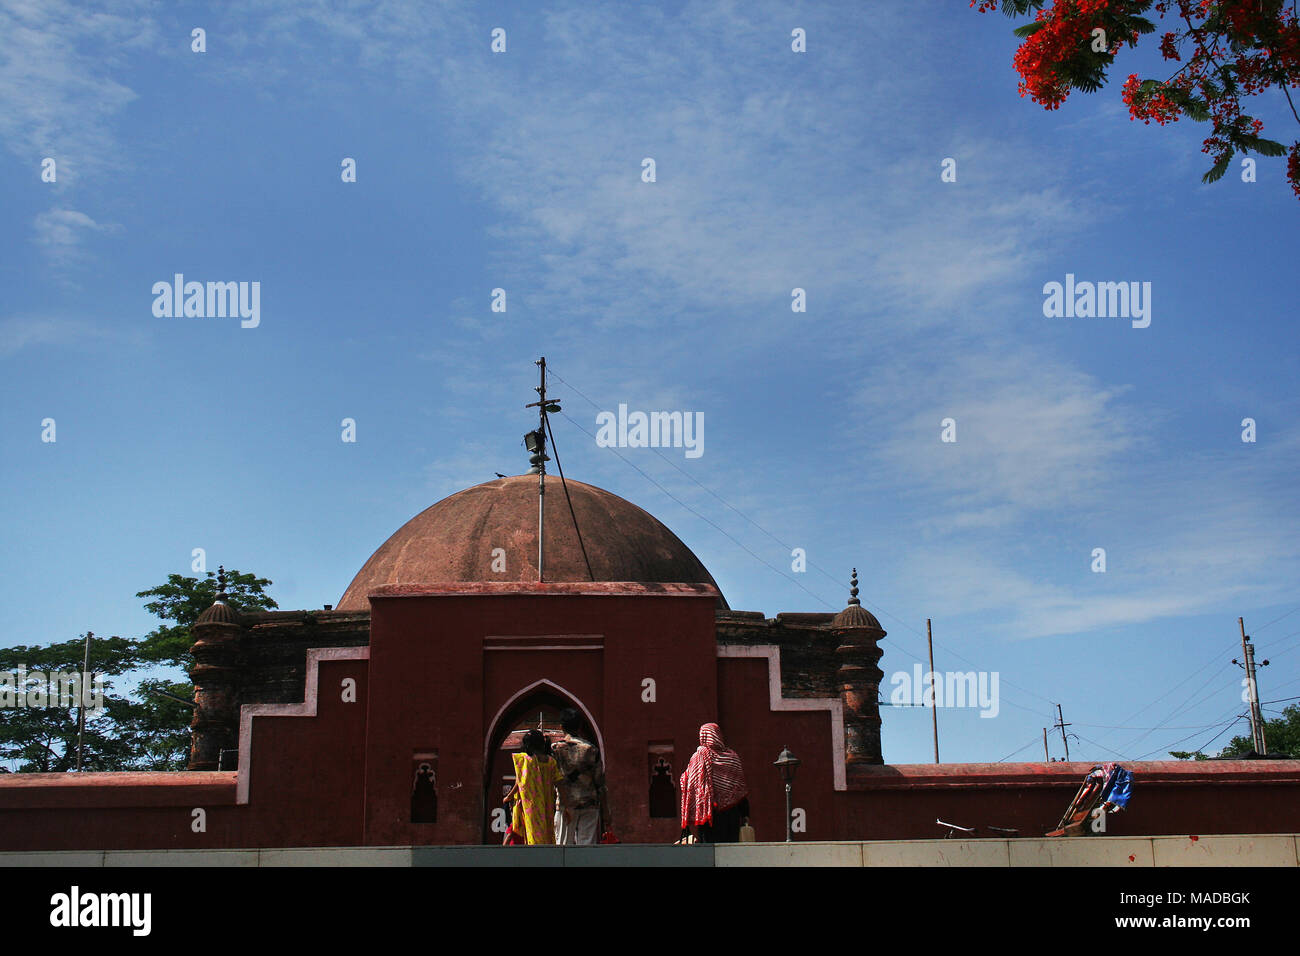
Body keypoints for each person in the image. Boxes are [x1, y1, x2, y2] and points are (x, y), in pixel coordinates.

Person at [679, 722, 749, 843]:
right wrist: (745, 814)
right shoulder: (732, 757)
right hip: (731, 814)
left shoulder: (699, 756)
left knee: (709, 852)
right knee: (730, 850)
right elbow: (740, 789)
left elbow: (689, 782)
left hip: (709, 815)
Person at [550, 708, 609, 845]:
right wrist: (606, 811)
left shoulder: (555, 750)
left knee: (563, 848)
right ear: (580, 726)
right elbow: (600, 783)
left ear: (561, 727)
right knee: (586, 848)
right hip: (589, 804)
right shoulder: (591, 750)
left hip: (566, 805)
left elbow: (552, 781)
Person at [502, 729, 563, 845]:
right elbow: (559, 782)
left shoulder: (526, 760)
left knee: (533, 835)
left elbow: (520, 782)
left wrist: (509, 797)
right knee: (547, 833)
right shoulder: (551, 762)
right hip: (547, 805)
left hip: (530, 805)